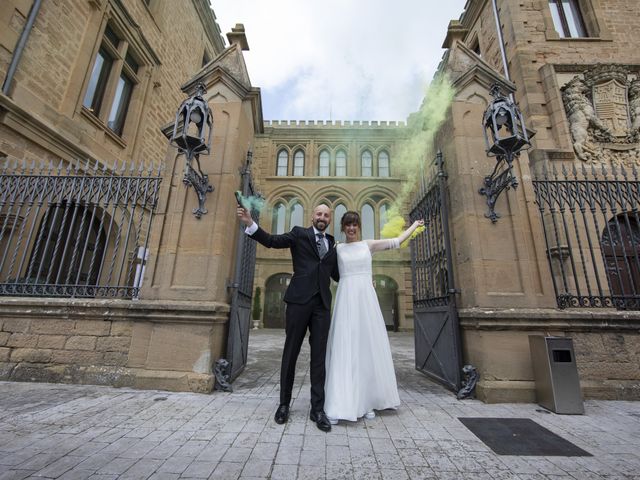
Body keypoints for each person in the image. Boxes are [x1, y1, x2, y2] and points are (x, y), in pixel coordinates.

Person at [237, 203, 339, 432]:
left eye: (326, 215)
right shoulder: (298, 234)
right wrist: (250, 224)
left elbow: (338, 274)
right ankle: (284, 404)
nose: (322, 217)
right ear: (312, 216)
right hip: (298, 302)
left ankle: (317, 409)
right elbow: (273, 241)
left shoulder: (333, 243)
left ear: (329, 219)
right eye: (319, 214)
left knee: (319, 358)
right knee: (291, 352)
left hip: (322, 306)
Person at [324, 211, 424, 424]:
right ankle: (341, 403)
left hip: (366, 301)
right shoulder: (337, 249)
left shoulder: (368, 245)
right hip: (346, 298)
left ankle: (367, 401)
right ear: (343, 228)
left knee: (366, 348)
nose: (351, 228)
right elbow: (324, 267)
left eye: (354, 225)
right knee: (345, 347)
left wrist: (414, 225)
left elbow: (396, 242)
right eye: (348, 225)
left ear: (359, 227)